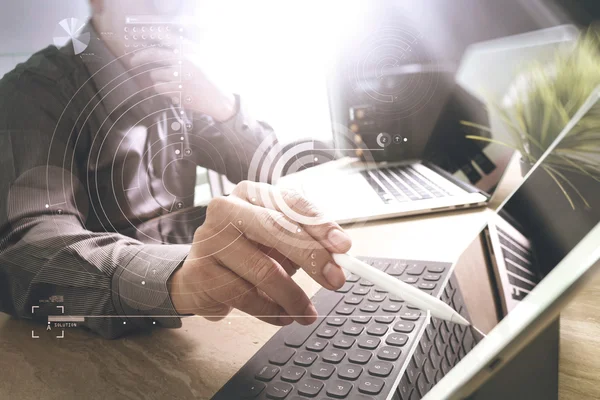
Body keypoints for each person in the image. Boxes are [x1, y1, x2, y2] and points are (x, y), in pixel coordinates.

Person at [0, 0, 351, 339]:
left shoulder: (175, 82)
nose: (184, 14)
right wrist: (177, 279)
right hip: (89, 344)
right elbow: (30, 252)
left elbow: (273, 168)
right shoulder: (30, 94)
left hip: (201, 318)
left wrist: (224, 107)